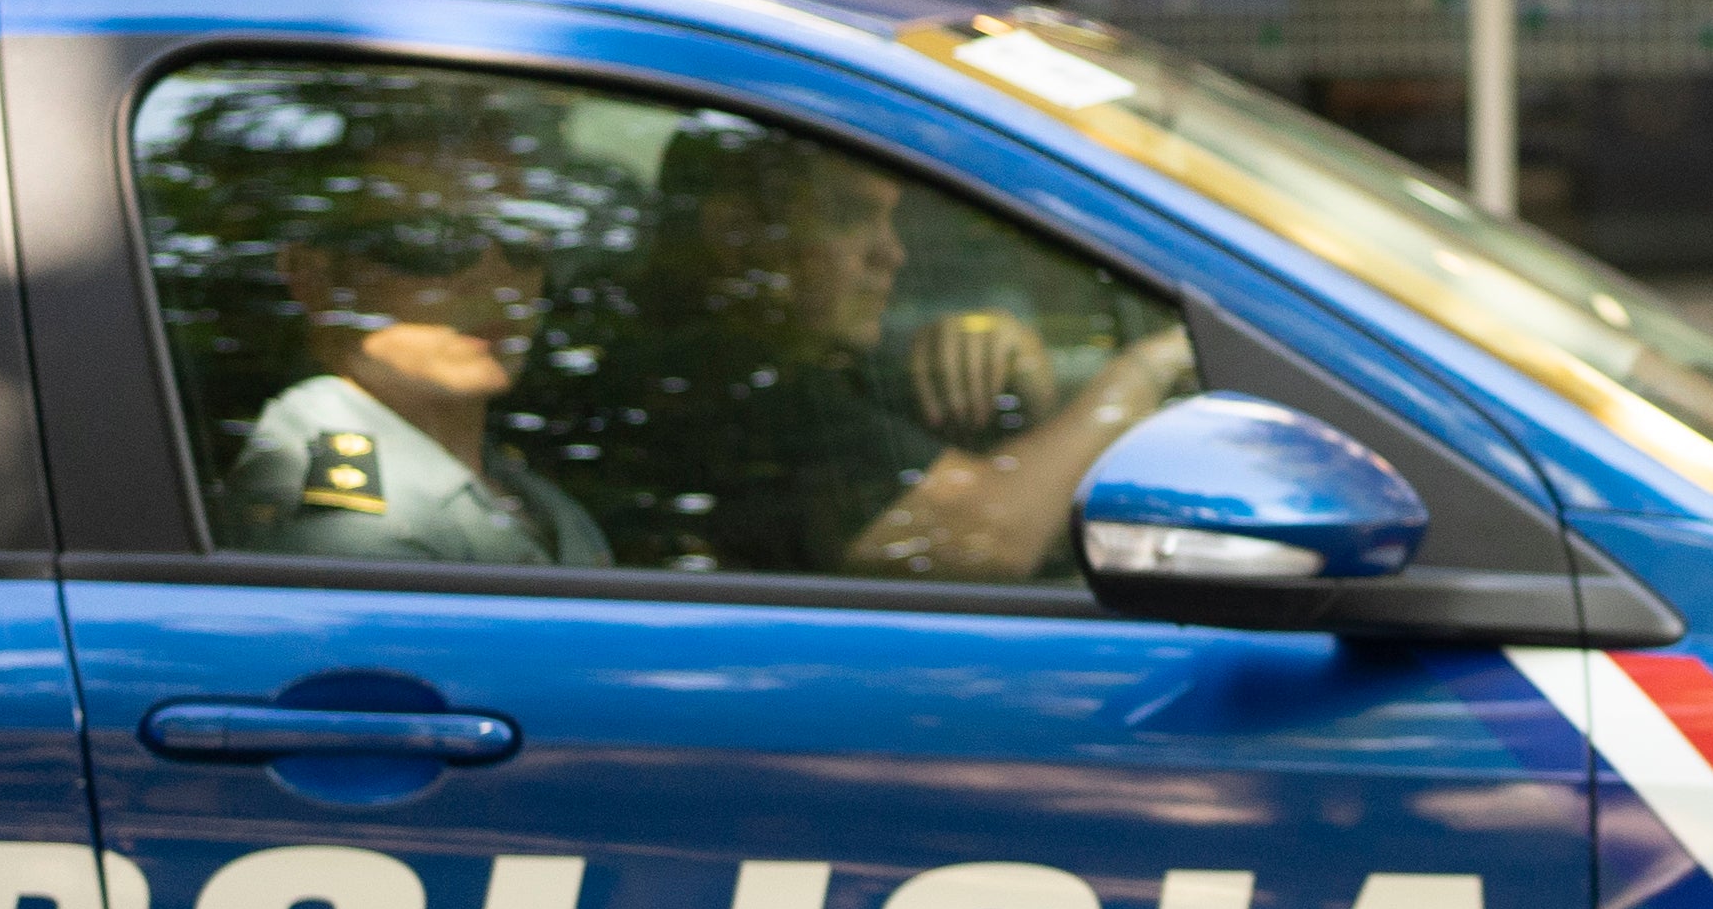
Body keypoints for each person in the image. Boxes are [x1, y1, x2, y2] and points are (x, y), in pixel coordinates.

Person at [641, 128, 1200, 585]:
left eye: (889, 220)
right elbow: (981, 540)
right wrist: (1146, 371)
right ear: (735, 233)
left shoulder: (795, 363)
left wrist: (1013, 356)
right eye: (849, 217)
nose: (891, 254)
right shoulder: (736, 386)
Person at [225, 132, 611, 566]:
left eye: (522, 238)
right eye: (433, 240)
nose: (497, 277)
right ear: (316, 278)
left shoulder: (516, 487)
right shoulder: (349, 523)